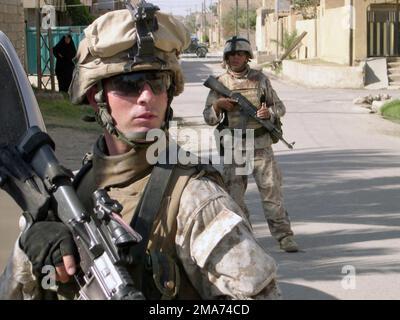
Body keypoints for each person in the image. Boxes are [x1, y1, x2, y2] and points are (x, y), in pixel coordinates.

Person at [0, 5, 281, 300]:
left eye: (157, 82)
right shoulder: (74, 188)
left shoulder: (195, 199)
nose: (147, 96)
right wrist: (27, 256)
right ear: (97, 98)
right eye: (129, 84)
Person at [203, 36, 298, 253]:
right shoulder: (220, 83)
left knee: (272, 192)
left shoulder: (260, 80)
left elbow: (280, 107)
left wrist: (269, 113)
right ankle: (244, 238)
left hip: (261, 146)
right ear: (226, 58)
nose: (235, 58)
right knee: (234, 197)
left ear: (247, 57)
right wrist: (217, 106)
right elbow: (208, 118)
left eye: (239, 54)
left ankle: (284, 236)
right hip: (233, 148)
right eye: (231, 55)